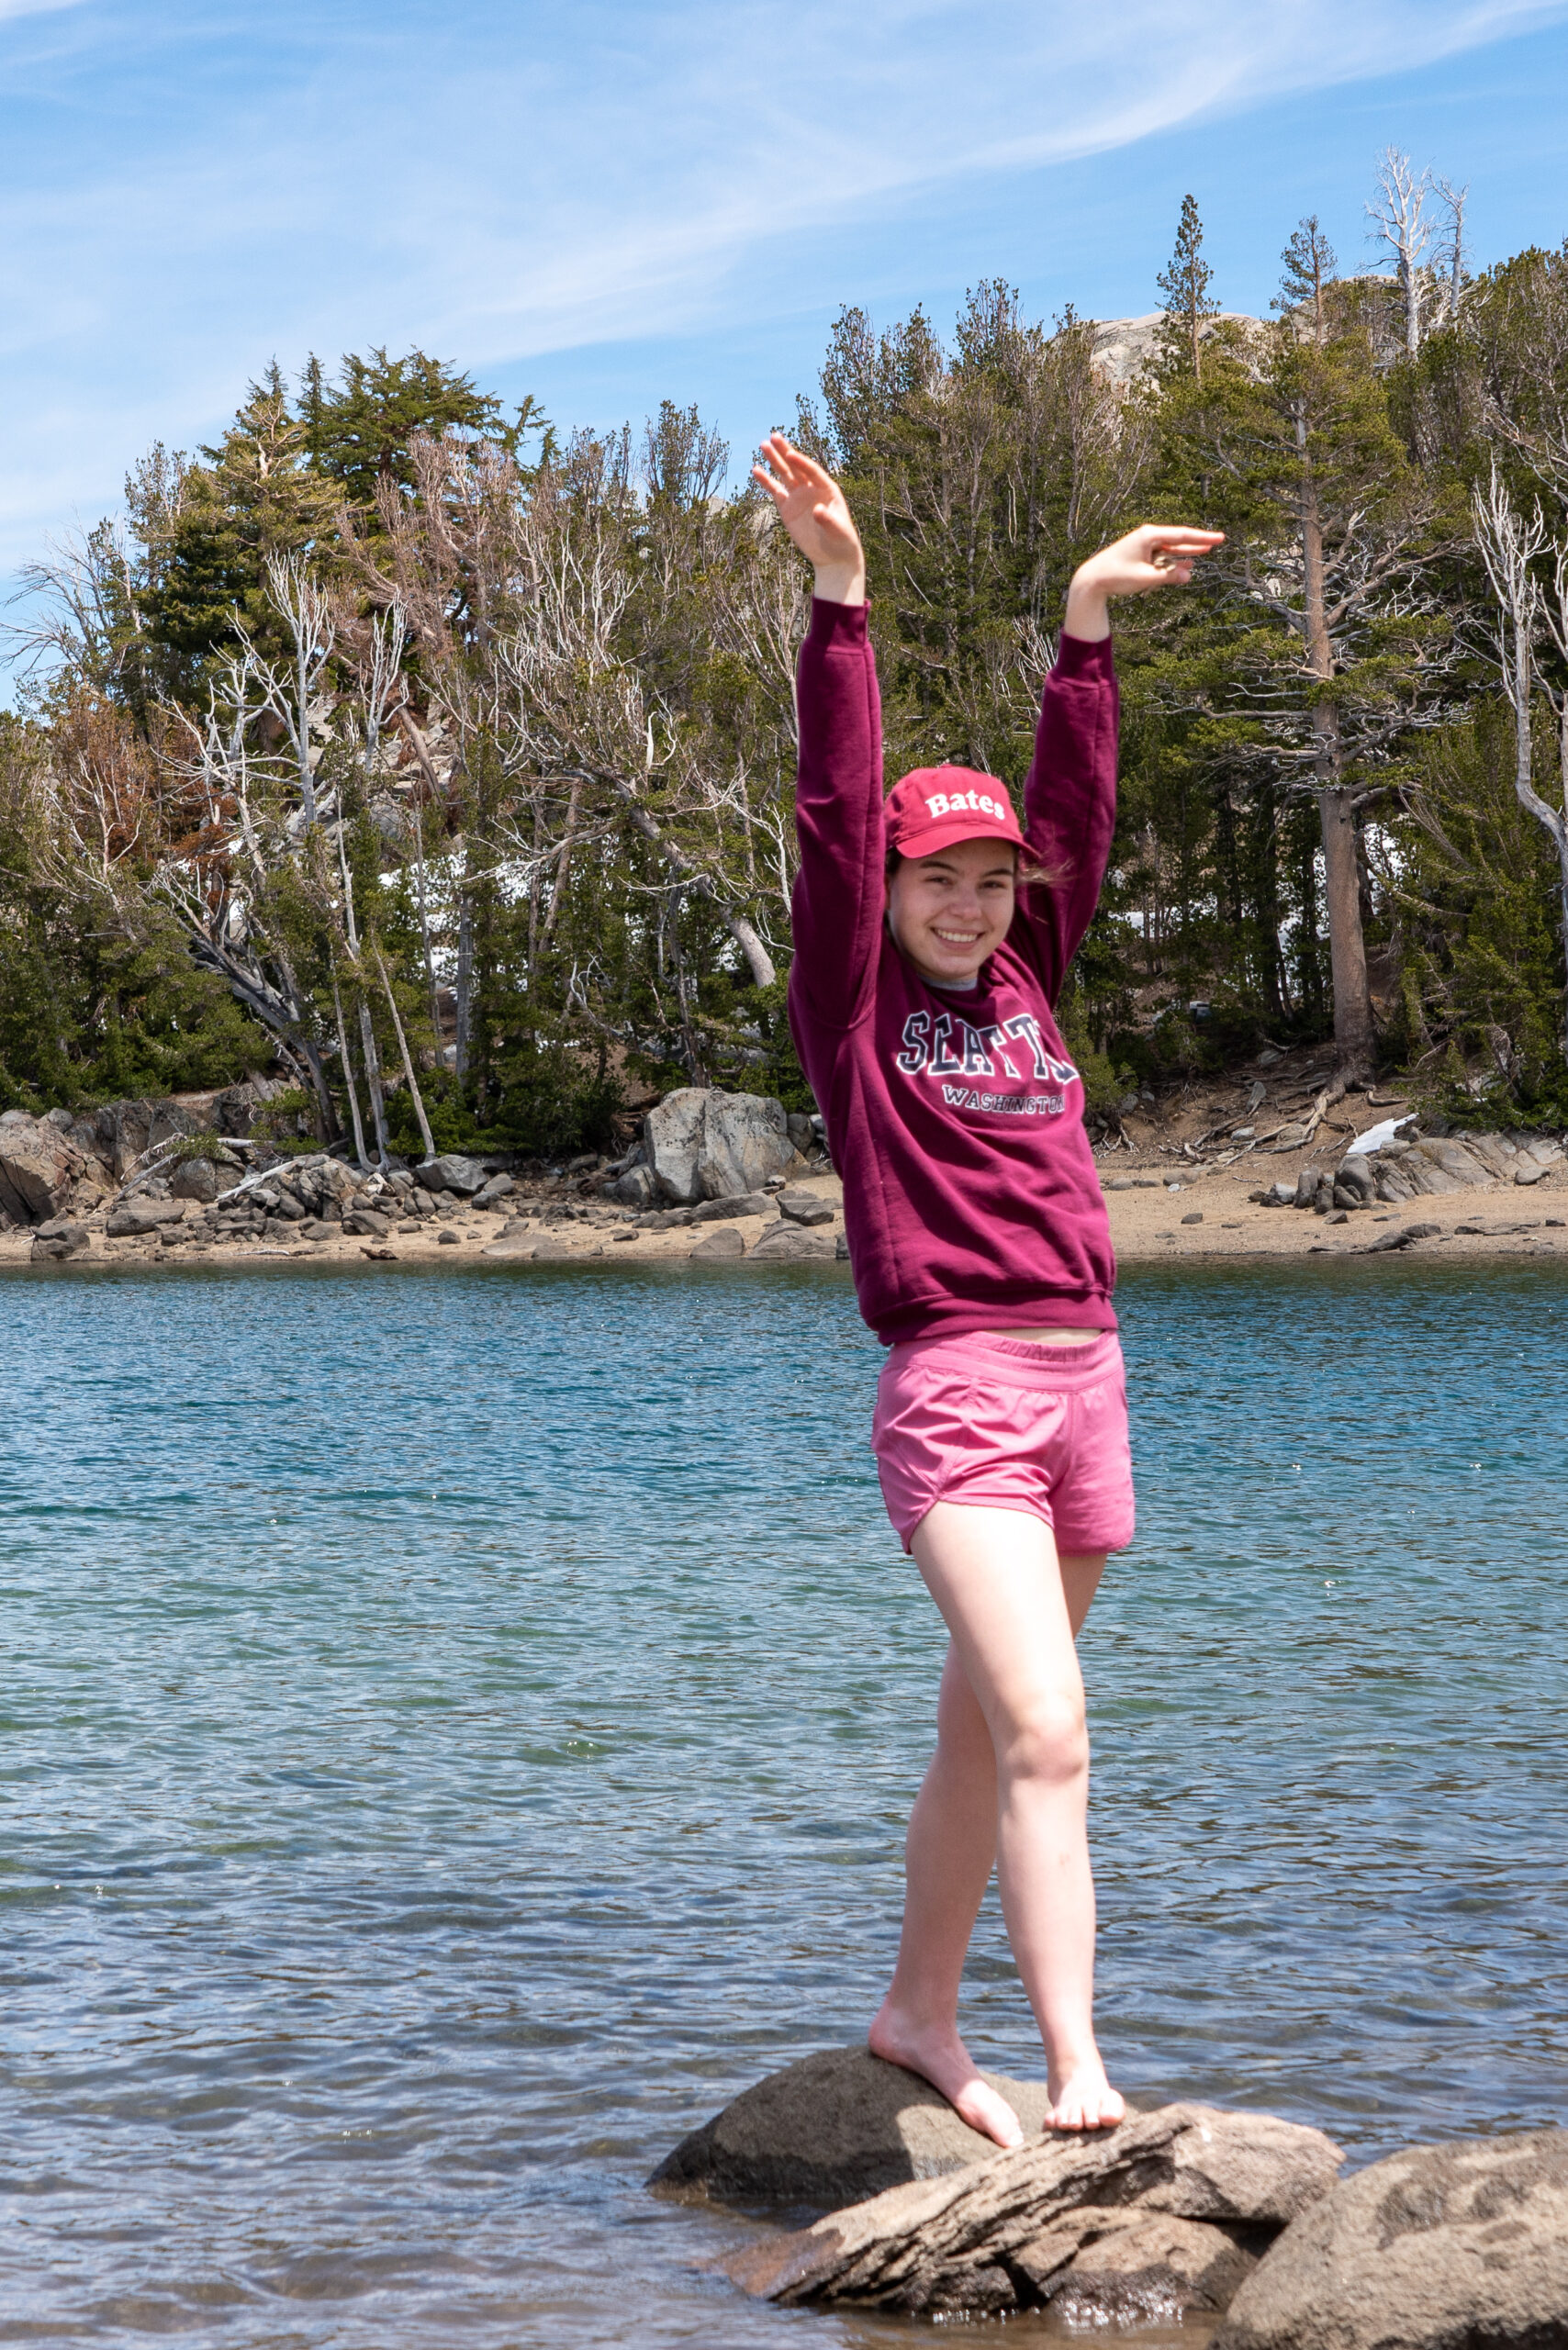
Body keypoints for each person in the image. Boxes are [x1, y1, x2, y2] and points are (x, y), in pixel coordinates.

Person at [751, 432, 1222, 2140]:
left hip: (1087, 1380)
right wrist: (840, 599)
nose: (964, 901)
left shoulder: (1027, 969)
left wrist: (1087, 631)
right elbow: (825, 805)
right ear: (884, 887)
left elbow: (1079, 810)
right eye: (933, 874)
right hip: (954, 1389)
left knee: (983, 1736)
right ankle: (1081, 2066)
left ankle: (915, 2013)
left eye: (988, 876)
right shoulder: (853, 1000)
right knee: (1050, 1732)